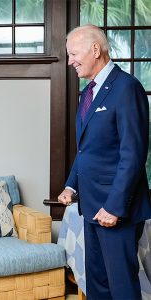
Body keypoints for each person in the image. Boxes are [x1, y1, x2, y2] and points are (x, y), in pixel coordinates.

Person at [58, 24, 151, 300]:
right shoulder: (88, 93)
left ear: (95, 49)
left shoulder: (127, 88)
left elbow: (133, 154)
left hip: (116, 210)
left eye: (73, 53)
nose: (70, 61)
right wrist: (72, 186)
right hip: (91, 207)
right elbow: (87, 150)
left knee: (121, 288)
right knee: (98, 285)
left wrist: (113, 207)